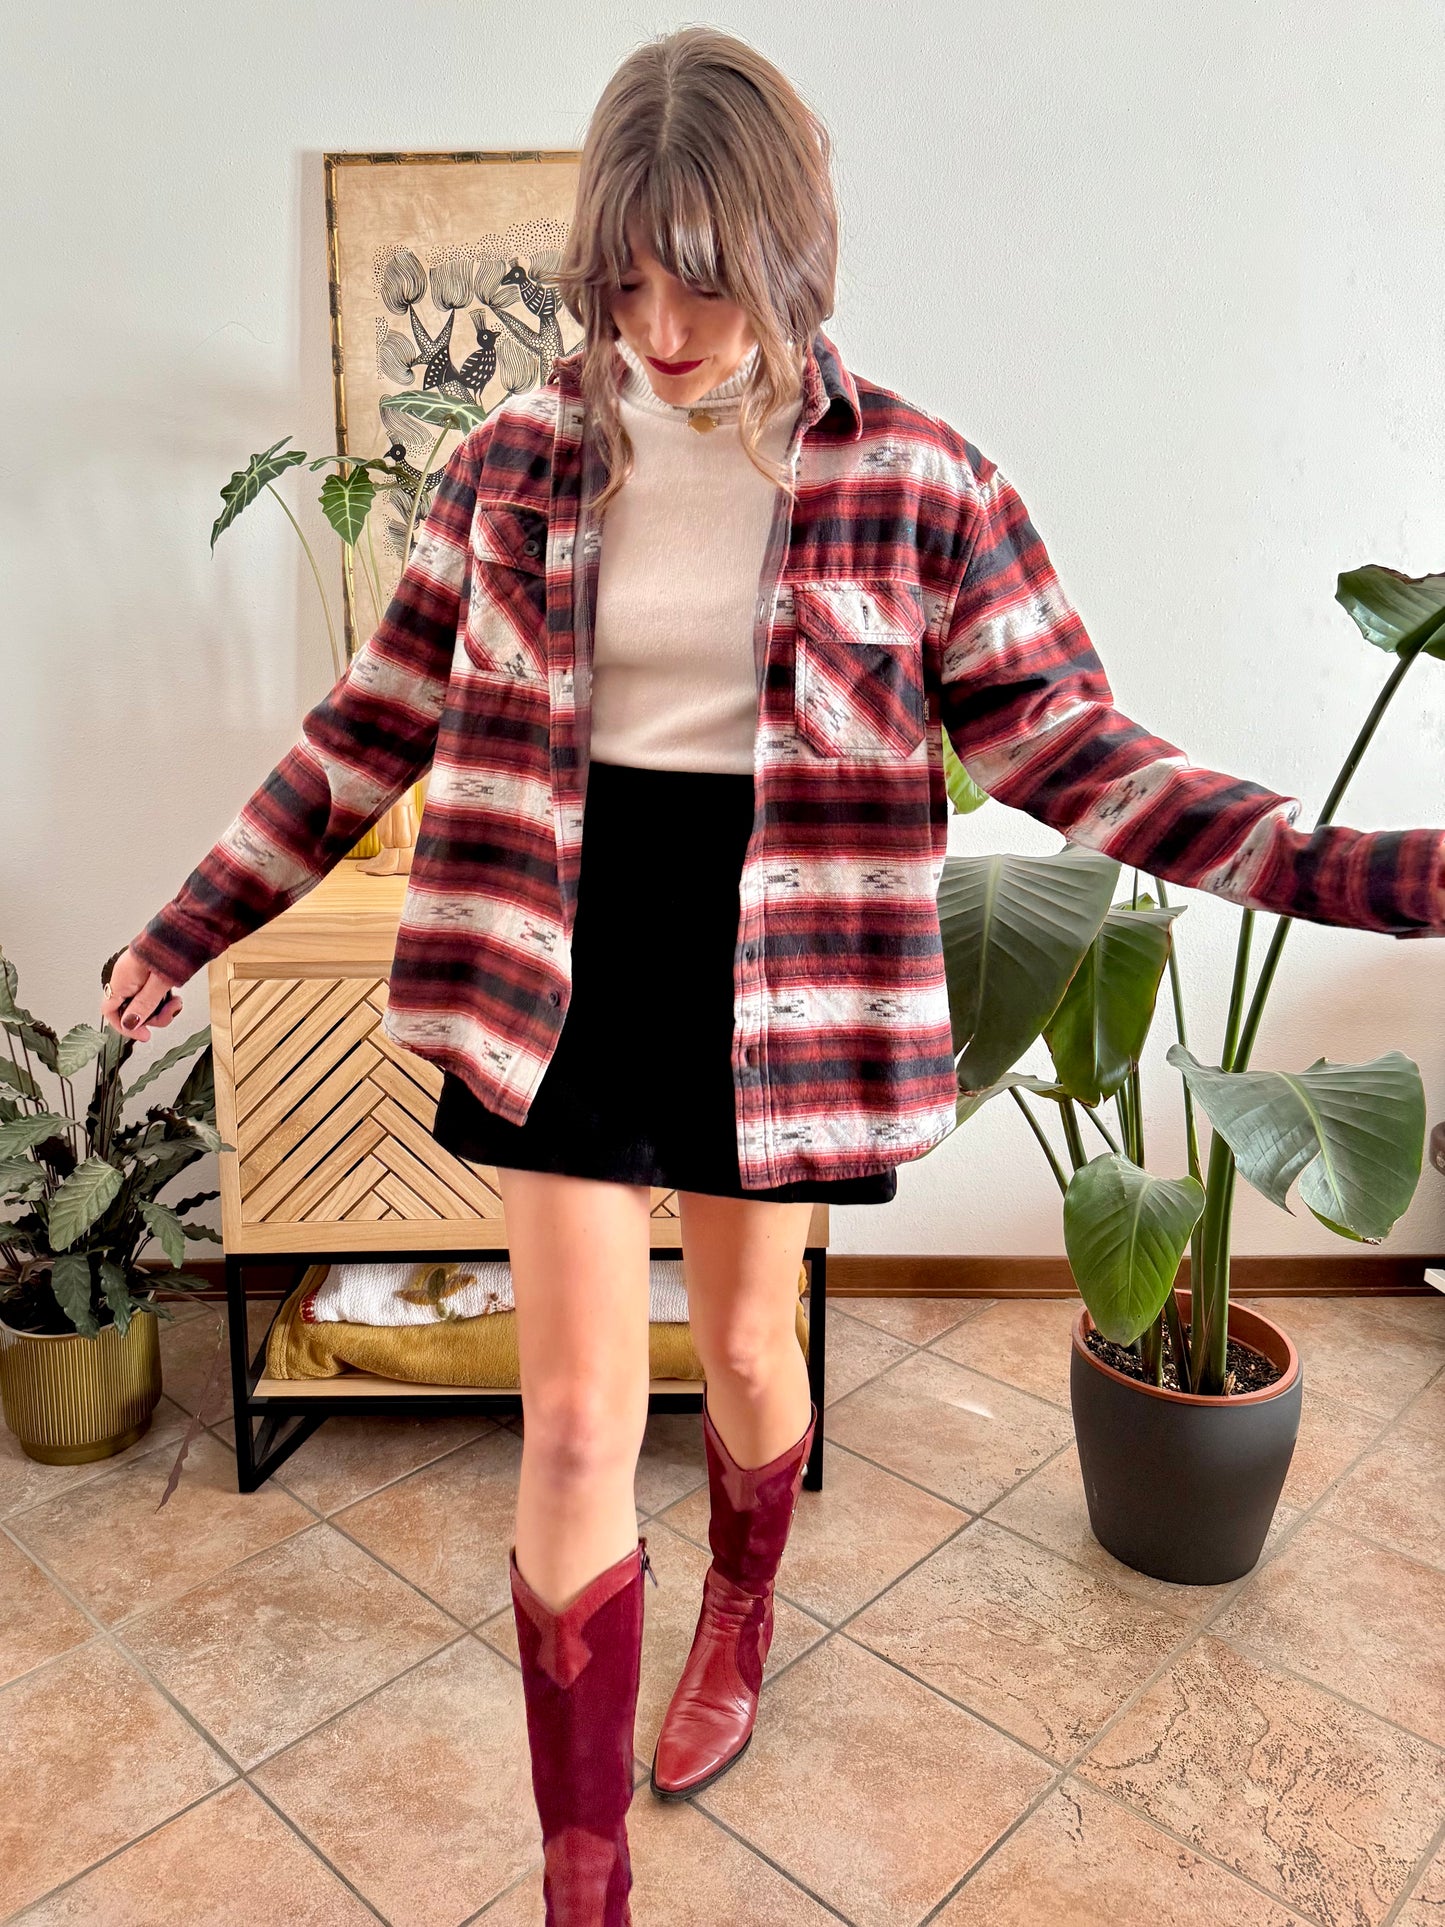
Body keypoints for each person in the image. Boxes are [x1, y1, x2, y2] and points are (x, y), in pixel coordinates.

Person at [102, 27, 1445, 1927]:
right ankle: (583, 1889)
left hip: (785, 969)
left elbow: (1078, 751)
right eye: (622, 283)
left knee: (741, 1351)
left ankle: (738, 1605)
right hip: (552, 958)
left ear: (790, 253)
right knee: (577, 1417)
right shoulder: (505, 466)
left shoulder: (922, 480)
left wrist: (1365, 874)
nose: (658, 330)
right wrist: (188, 924)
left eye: (704, 282)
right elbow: (368, 724)